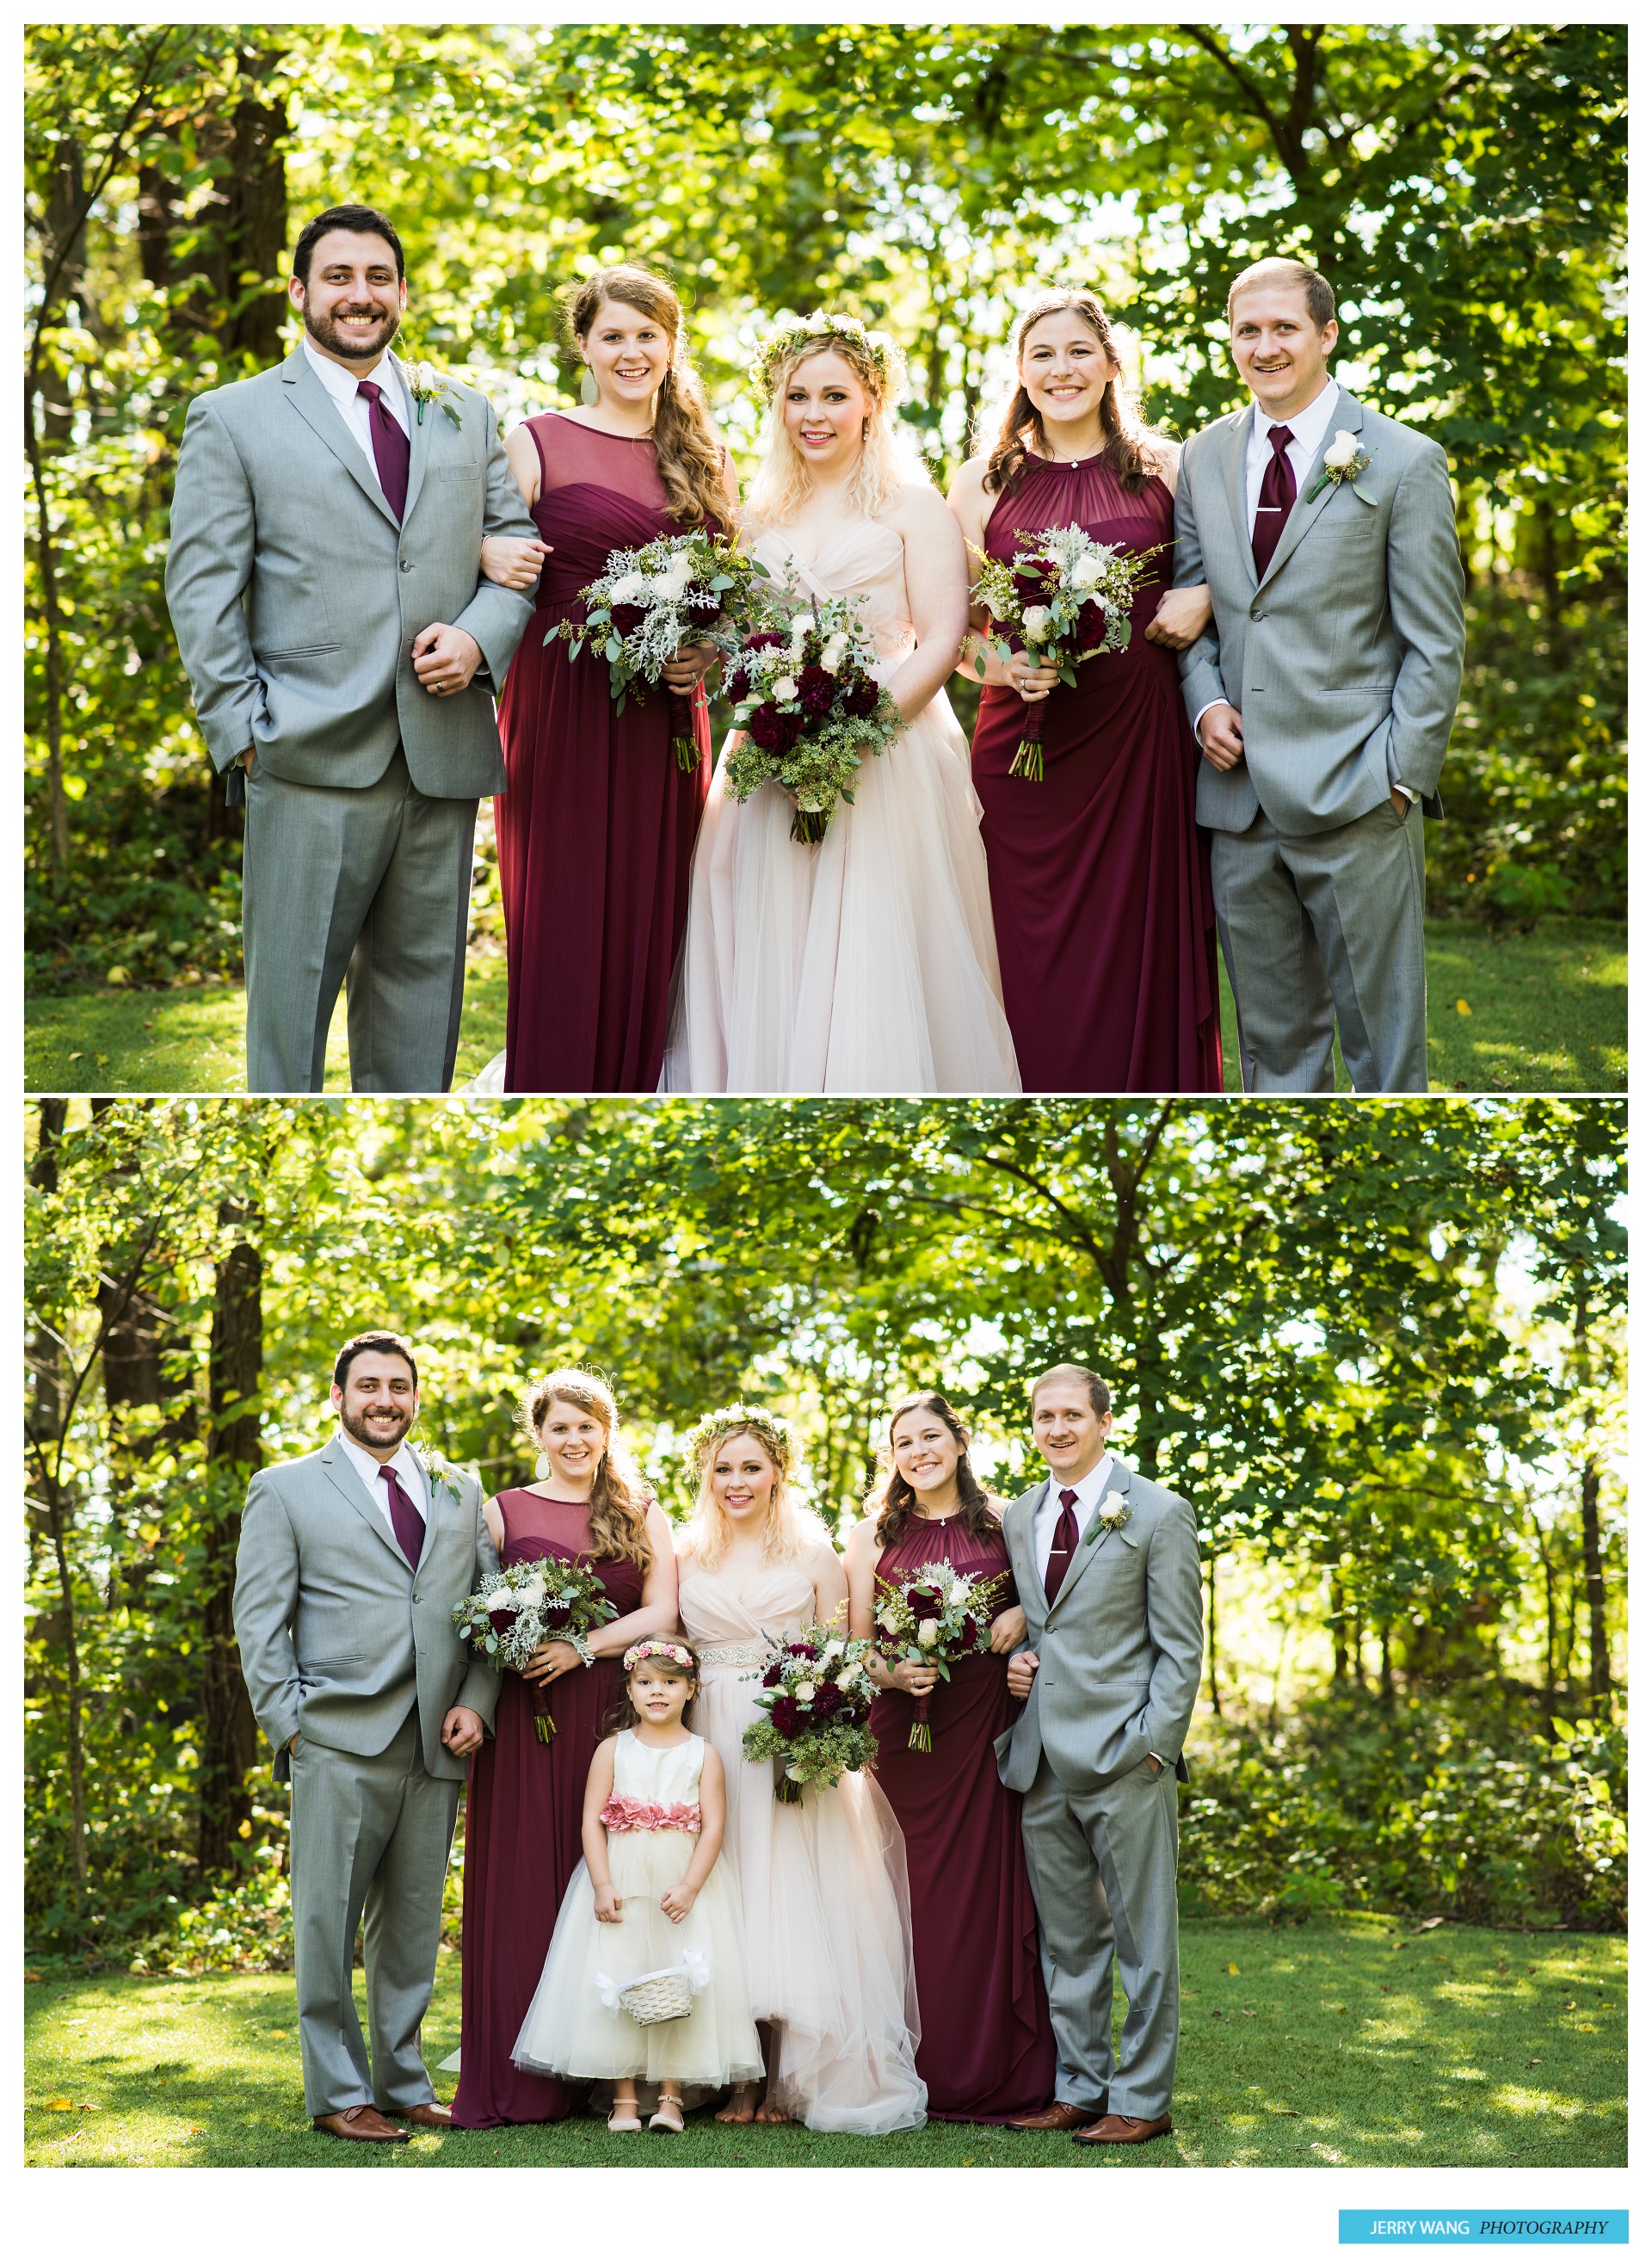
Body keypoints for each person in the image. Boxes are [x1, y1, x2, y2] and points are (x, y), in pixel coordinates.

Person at [165, 203, 539, 1095]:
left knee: (421, 1022)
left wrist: (480, 640)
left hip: (439, 755)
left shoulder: (466, 412)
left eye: (377, 277)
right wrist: (244, 731)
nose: (359, 295)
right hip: (305, 756)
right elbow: (201, 590)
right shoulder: (234, 417)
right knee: (290, 1027)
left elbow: (514, 552)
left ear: (401, 291)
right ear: (301, 292)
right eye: (338, 277)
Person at [663, 312, 1020, 1093]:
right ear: (778, 405)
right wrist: (733, 679)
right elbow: (742, 634)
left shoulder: (911, 506)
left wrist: (860, 734)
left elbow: (939, 639)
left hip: (888, 752)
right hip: (768, 749)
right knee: (770, 928)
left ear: (872, 401)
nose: (814, 415)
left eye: (834, 395)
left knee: (873, 937)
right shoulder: (754, 516)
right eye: (798, 397)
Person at [1172, 255, 1466, 1092]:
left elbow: (1435, 642)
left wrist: (1399, 782)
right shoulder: (1201, 458)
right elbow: (1194, 609)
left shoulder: (1404, 461)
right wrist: (1206, 704)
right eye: (1248, 330)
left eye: (1284, 328)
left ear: (1326, 335)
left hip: (1357, 798)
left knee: (1383, 1055)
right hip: (1237, 803)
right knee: (1274, 1059)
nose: (1265, 346)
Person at [471, 264, 740, 1093]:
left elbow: (733, 597)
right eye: (613, 336)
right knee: (563, 904)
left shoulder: (705, 457)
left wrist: (709, 653)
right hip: (559, 701)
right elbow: (477, 561)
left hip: (664, 711)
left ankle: (632, 1078)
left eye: (646, 336)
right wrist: (482, 550)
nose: (630, 352)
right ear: (582, 345)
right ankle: (553, 1075)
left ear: (671, 344)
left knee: (651, 911)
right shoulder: (537, 438)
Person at [948, 290, 1223, 1093]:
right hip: (1025, 748)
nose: (1061, 369)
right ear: (1021, 372)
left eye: (1078, 352)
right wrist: (1000, 666)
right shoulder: (978, 483)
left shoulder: (1171, 466)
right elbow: (951, 632)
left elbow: (1228, 582)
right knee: (1019, 945)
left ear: (1110, 364)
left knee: (1139, 938)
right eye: (1042, 354)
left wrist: (1205, 596)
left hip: (1139, 739)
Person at [231, 1330, 500, 2143]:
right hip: (335, 1740)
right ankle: (338, 2093)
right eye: (370, 1386)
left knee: (412, 1928)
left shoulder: (457, 1486)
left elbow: (489, 1610)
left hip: (437, 1741)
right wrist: (291, 1729)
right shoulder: (283, 1490)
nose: (385, 1399)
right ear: (340, 1396)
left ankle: (404, 2081)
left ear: (417, 1396)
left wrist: (479, 1701)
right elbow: (259, 1620)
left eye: (400, 1386)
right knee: (326, 1923)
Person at [674, 1404, 928, 2131]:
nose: (736, 1480)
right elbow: (668, 1643)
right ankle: (730, 2073)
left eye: (751, 1466)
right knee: (727, 1889)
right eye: (723, 1468)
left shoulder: (817, 1555)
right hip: (711, 1736)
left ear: (778, 1470)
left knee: (789, 1897)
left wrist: (817, 1721)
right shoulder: (686, 1553)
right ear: (706, 1474)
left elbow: (847, 1657)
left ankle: (789, 2077)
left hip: (791, 1739)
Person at [450, 1369, 679, 2127]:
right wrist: (508, 1640)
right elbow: (472, 1605)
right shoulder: (501, 1511)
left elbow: (663, 1610)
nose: (574, 1440)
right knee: (525, 1879)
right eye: (559, 1427)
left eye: (587, 1426)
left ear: (606, 1431)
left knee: (610, 1879)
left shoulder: (641, 1511)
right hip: (526, 1713)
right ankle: (526, 2074)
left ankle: (614, 2069)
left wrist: (582, 1646)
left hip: (608, 1714)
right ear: (538, 1434)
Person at [996, 1363, 1203, 2146]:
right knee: (1068, 1940)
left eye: (1072, 1415)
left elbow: (1180, 1648)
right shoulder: (1022, 1514)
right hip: (1041, 1756)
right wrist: (1023, 1665)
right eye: (1044, 1416)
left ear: (1104, 1422)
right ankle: (1078, 2088)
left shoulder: (1156, 1511)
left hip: (1127, 1759)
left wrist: (1155, 1748)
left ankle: (1143, 2100)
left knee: (1146, 1943)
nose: (1057, 1429)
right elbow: (1046, 1626)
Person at [845, 1392, 1056, 2121]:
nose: (918, 1452)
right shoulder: (872, 1536)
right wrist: (896, 1673)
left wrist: (1023, 1611)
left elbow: (1056, 1596)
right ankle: (907, 2061)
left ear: (959, 1442)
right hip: (902, 1734)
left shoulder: (1011, 1521)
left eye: (930, 1436)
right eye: (903, 1442)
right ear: (892, 1457)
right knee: (898, 1893)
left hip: (983, 1725)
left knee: (986, 1886)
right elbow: (856, 1647)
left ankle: (990, 2064)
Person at [513, 1639, 763, 2133]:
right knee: (618, 1976)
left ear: (691, 1690)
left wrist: (692, 1886)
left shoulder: (703, 1754)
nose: (658, 1692)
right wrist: (602, 1884)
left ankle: (671, 2095)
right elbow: (591, 1822)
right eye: (646, 1682)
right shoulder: (613, 1749)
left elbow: (713, 1826)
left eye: (670, 1682)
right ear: (629, 1688)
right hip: (621, 1882)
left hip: (681, 1885)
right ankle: (623, 2099)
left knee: (679, 1983)